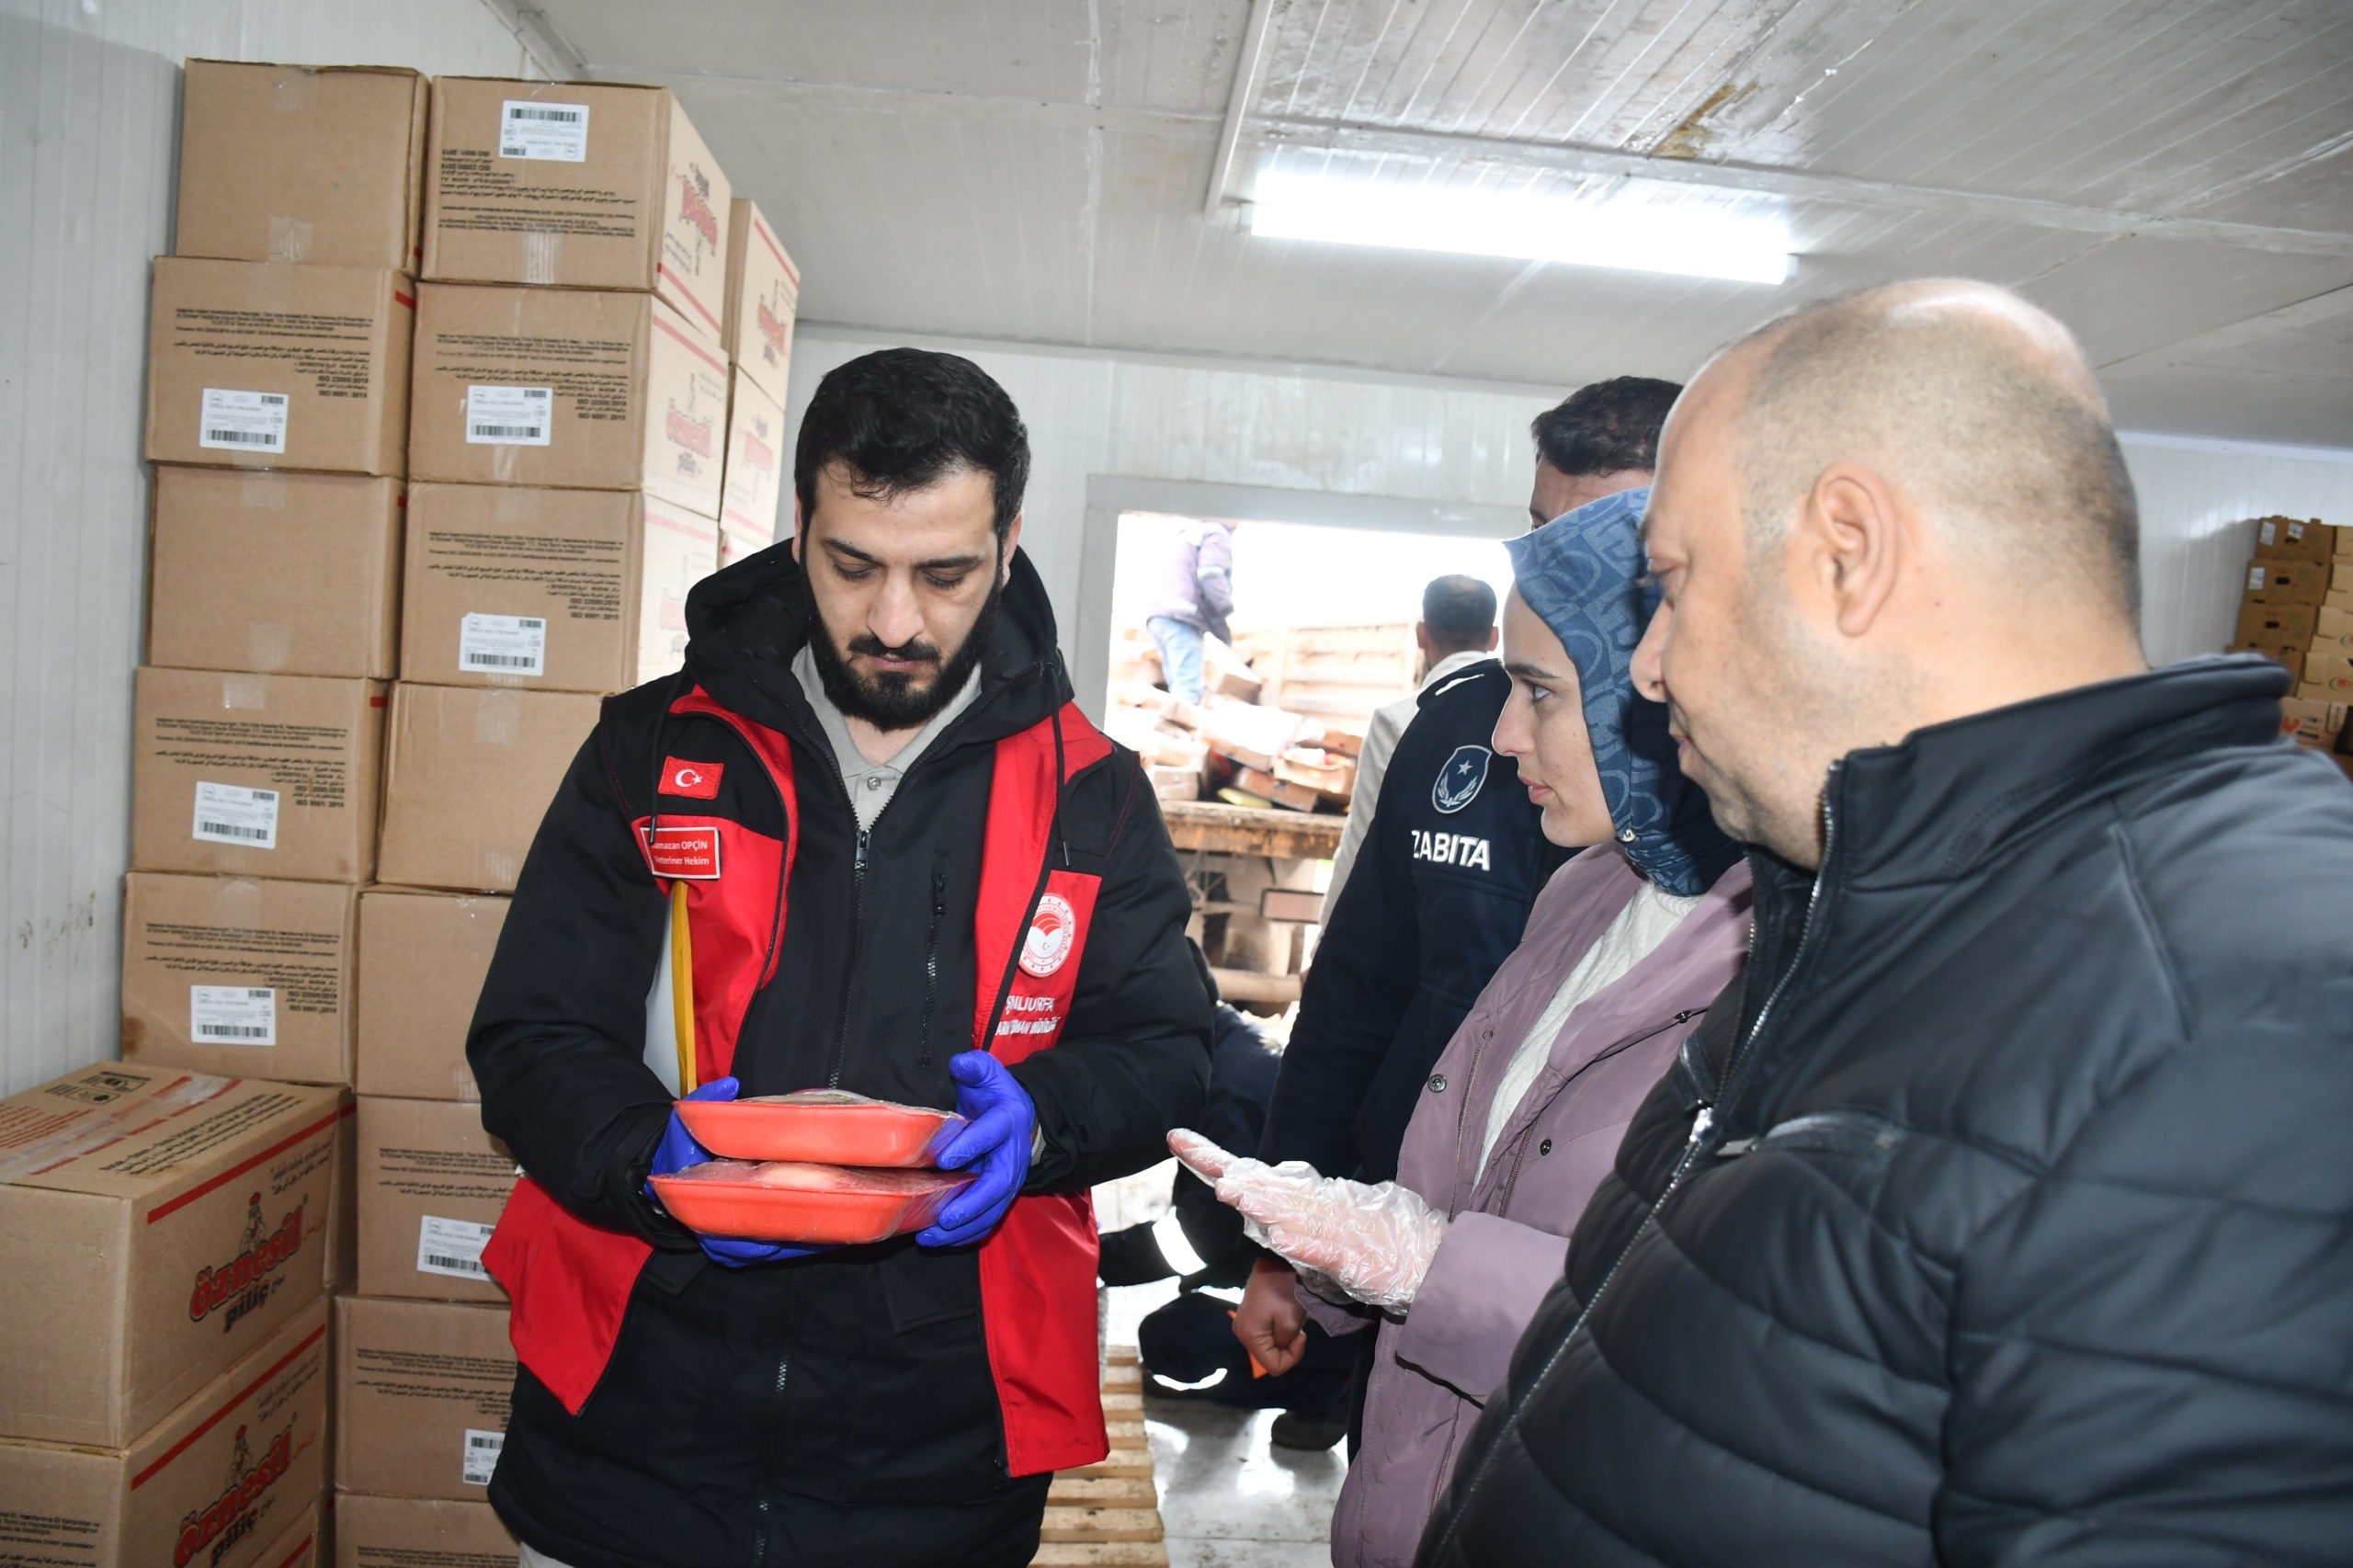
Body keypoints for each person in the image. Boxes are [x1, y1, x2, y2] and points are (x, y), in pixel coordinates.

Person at [1420, 279, 2353, 1564]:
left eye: (1674, 586)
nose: (1643, 666)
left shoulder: (2236, 1013)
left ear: (1848, 551)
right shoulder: (1863, 907)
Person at [466, 347, 1212, 1568]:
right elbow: (531, 1034)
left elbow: (1170, 1053)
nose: (895, 621)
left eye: (946, 572)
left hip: (933, 1446)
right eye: (853, 564)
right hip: (634, 1416)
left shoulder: (1097, 795)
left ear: (1010, 543)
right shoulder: (650, 752)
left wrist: (1045, 1122)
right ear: (800, 523)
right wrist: (641, 1158)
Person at [1172, 484, 1750, 1567]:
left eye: (1538, 690)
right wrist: (1330, 1264)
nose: (1497, 731)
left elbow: (1715, 1354)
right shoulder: (1587, 890)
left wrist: (1421, 1265)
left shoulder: (1782, 973)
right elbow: (1458, 1178)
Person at [1234, 377, 1682, 1441]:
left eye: (1603, 542)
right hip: (1398, 1271)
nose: (1555, 575)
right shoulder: (1457, 739)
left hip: (1591, 1309)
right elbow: (1353, 994)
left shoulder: (1729, 811)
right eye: (1539, 536)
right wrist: (1285, 1242)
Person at [1095, 964, 1358, 1445]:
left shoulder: (1230, 1095)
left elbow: (1201, 1238)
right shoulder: (1234, 1044)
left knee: (1172, 1341)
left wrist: (1095, 1256)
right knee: (1196, 1297)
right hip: (1299, 1255)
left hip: (1316, 1288)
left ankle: (1328, 1385)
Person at [1325, 575, 1499, 913]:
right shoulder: (1520, 720)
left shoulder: (1396, 719)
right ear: (1494, 638)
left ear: (1422, 634)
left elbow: (1362, 836)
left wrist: (1325, 945)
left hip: (1407, 913)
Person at [1146, 517, 1237, 703]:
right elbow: (1211, 575)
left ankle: (1174, 728)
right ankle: (1179, 728)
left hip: (1159, 616)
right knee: (1188, 690)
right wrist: (1226, 610)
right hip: (1181, 618)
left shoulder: (1189, 533)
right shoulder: (1216, 533)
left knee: (1178, 686)